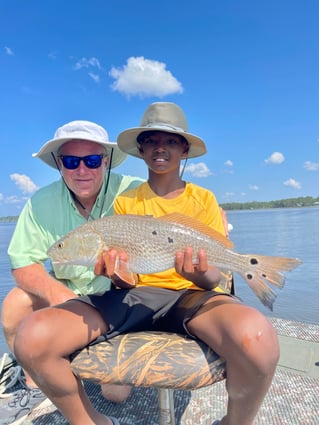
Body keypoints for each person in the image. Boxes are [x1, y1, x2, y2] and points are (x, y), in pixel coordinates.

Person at [12, 104, 279, 425]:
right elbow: (126, 280)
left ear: (185, 149)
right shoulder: (125, 202)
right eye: (151, 141)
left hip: (192, 296)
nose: (160, 148)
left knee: (259, 337)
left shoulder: (204, 200)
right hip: (134, 297)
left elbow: (211, 279)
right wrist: (115, 272)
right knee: (32, 335)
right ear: (141, 150)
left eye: (170, 141)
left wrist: (200, 271)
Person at [1, 120, 142, 422]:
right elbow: (23, 262)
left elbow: (170, 220)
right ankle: (34, 381)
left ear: (105, 161)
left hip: (119, 298)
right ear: (58, 164)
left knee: (115, 394)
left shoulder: (133, 192)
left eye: (92, 161)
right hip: (67, 295)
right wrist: (63, 298)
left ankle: (74, 356)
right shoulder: (41, 202)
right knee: (14, 305)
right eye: (71, 161)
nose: (82, 170)